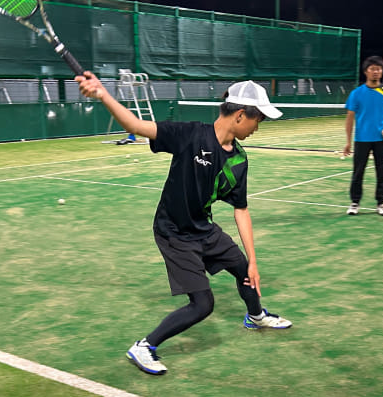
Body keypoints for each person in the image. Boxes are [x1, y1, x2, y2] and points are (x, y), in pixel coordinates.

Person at [76, 73, 292, 375]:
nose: (259, 127)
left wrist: (254, 261)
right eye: (259, 120)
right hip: (174, 232)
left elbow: (241, 210)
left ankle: (255, 316)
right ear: (242, 115)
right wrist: (102, 95)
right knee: (203, 305)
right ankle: (144, 346)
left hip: (203, 228)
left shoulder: (239, 160)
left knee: (243, 269)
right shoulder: (189, 134)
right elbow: (136, 127)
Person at [343, 56, 383, 216]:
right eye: (373, 69)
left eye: (379, 69)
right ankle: (355, 202)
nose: (376, 72)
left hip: (381, 140)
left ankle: (381, 203)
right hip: (361, 140)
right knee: (358, 173)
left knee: (382, 173)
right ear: (366, 71)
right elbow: (349, 118)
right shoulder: (356, 93)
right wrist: (348, 142)